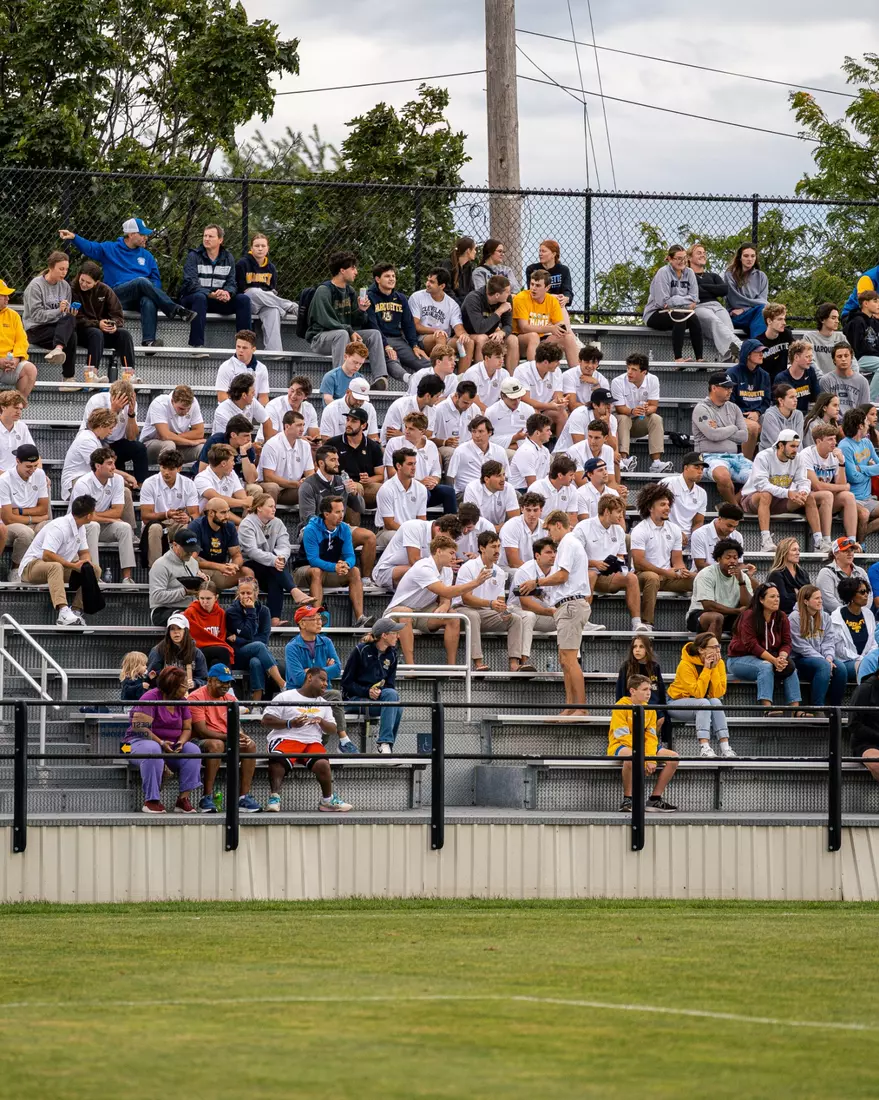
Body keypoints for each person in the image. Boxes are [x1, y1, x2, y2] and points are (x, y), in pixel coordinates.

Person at [59, 218, 193, 351]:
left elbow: (156, 280)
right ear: (130, 234)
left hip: (138, 297)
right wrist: (74, 238)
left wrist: (153, 292)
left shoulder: (147, 256)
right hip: (117, 295)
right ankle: (175, 310)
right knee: (141, 281)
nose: (145, 237)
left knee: (148, 300)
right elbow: (91, 248)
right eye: (142, 234)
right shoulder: (110, 248)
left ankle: (149, 342)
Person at [386, 533, 491, 667]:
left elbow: (445, 598)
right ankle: (410, 668)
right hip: (397, 611)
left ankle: (451, 668)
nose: (454, 557)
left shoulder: (446, 569)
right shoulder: (423, 567)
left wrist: (444, 606)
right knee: (406, 613)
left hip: (423, 611)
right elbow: (446, 591)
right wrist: (476, 582)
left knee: (454, 616)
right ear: (439, 551)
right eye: (451, 553)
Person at [262, 667, 352, 812]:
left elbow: (333, 729)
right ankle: (274, 797)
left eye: (327, 681)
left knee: (323, 763)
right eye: (322, 679)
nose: (325, 684)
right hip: (286, 738)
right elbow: (266, 720)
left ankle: (327, 801)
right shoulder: (286, 696)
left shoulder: (324, 703)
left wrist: (321, 721)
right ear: (309, 677)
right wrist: (290, 723)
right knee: (277, 759)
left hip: (312, 742)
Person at [543, 510, 606, 712]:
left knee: (570, 659)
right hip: (568, 604)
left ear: (558, 525)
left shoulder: (568, 543)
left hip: (571, 604)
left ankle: (581, 707)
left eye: (550, 528)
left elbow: (562, 576)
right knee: (564, 659)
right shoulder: (568, 544)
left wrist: (537, 581)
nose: (549, 533)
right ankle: (570, 706)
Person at [122, 666, 202, 815]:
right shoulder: (150, 697)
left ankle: (182, 799)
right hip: (130, 744)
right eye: (184, 684)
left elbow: (187, 728)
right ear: (173, 686)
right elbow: (139, 727)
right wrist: (161, 743)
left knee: (193, 750)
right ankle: (151, 801)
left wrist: (181, 742)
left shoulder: (182, 701)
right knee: (153, 749)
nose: (186, 687)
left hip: (168, 747)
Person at [304, 250, 390, 387]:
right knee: (341, 334)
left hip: (344, 335)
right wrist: (349, 330)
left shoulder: (350, 291)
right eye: (353, 268)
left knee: (374, 334)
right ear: (342, 270)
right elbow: (326, 320)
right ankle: (340, 381)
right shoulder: (324, 290)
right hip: (320, 338)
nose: (356, 271)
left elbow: (356, 322)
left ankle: (380, 379)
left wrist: (362, 311)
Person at [741, 429, 832, 554]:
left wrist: (803, 492)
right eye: (792, 446)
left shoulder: (798, 458)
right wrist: (788, 493)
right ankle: (765, 541)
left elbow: (803, 481)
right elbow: (762, 485)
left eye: (797, 446)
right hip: (753, 498)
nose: (795, 449)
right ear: (781, 445)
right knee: (766, 495)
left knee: (809, 497)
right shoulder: (764, 456)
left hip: (780, 499)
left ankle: (819, 542)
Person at [456, 530, 535, 672]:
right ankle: (478, 663)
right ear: (482, 548)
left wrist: (503, 610)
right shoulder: (468, 567)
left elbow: (499, 600)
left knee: (515, 619)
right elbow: (466, 598)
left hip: (487, 612)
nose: (497, 550)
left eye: (498, 546)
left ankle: (514, 664)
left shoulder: (499, 571)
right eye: (493, 546)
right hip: (463, 610)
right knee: (473, 616)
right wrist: (491, 604)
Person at [297, 445, 378, 584]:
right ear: (321, 463)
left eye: (337, 459)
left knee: (369, 536)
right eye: (333, 460)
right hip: (314, 530)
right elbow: (308, 517)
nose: (337, 463)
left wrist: (354, 493)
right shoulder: (308, 485)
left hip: (338, 527)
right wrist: (330, 527)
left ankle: (365, 578)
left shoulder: (341, 481)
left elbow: (361, 509)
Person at [189, 664, 262, 813]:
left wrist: (242, 736)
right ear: (209, 681)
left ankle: (242, 798)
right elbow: (201, 730)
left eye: (228, 682)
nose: (226, 685)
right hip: (198, 741)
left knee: (250, 746)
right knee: (216, 745)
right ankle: (206, 797)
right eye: (221, 681)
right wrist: (230, 737)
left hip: (225, 738)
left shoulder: (230, 698)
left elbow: (236, 726)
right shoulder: (196, 697)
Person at [285, 605, 355, 754]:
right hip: (299, 696)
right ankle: (342, 740)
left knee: (331, 701)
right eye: (314, 619)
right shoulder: (291, 647)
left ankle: (334, 744)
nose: (319, 622)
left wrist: (311, 673)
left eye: (320, 619)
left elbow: (337, 669)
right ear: (302, 623)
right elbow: (298, 679)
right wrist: (323, 669)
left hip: (321, 695)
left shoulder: (326, 642)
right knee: (333, 698)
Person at [18, 493, 97, 625]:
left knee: (94, 570)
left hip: (58, 567)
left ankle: (76, 611)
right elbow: (47, 555)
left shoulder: (81, 527)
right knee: (56, 566)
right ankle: (63, 612)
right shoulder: (59, 527)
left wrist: (86, 562)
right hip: (31, 566)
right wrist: (72, 566)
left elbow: (84, 552)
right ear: (89, 515)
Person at [608, 674, 680, 814]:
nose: (649, 693)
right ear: (632, 691)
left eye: (650, 689)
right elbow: (622, 735)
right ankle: (628, 799)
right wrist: (644, 756)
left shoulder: (650, 710)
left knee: (673, 758)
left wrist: (649, 757)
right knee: (631, 758)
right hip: (621, 744)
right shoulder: (620, 706)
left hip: (644, 746)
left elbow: (652, 737)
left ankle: (654, 799)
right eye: (644, 689)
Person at [727, 583, 804, 713]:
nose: (777, 599)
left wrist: (781, 657)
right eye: (772, 596)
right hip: (739, 659)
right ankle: (767, 708)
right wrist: (774, 661)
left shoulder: (782, 616)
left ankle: (796, 710)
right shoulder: (749, 615)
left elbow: (787, 642)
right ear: (761, 600)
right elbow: (751, 645)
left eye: (778, 596)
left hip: (769, 657)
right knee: (765, 666)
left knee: (790, 667)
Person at [295, 495, 371, 628]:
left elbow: (350, 555)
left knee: (354, 571)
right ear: (326, 514)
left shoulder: (344, 529)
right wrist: (334, 567)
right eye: (337, 512)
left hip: (329, 570)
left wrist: (346, 565)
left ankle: (360, 618)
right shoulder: (311, 529)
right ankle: (315, 615)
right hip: (304, 570)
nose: (341, 515)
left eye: (342, 511)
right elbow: (313, 560)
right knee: (316, 571)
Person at [630, 483, 696, 630]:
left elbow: (677, 561)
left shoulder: (674, 529)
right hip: (643, 575)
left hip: (667, 577)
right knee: (652, 578)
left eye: (668, 504)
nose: (667, 508)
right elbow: (639, 562)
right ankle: (646, 624)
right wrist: (666, 572)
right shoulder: (640, 530)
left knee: (698, 579)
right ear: (650, 508)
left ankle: (695, 617)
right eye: (662, 504)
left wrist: (680, 571)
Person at [575, 495, 646, 631]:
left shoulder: (619, 530)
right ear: (607, 512)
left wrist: (615, 564)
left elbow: (620, 555)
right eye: (618, 512)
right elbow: (575, 557)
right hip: (585, 572)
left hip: (608, 574)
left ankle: (637, 623)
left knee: (631, 578)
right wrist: (595, 563)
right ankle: (584, 622)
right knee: (590, 575)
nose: (621, 516)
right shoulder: (583, 527)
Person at [181, 224, 252, 353]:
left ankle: (245, 345)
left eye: (211, 236)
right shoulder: (193, 256)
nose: (206, 239)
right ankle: (196, 347)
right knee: (199, 297)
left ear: (220, 240)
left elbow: (232, 282)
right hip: (195, 300)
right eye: (205, 236)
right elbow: (190, 284)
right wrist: (210, 294)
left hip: (218, 300)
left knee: (243, 300)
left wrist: (227, 292)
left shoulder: (228, 257)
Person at [69, 446, 137, 583]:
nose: (114, 467)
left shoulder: (117, 480)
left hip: (102, 525)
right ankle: (95, 575)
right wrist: (108, 517)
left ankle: (127, 577)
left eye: (114, 463)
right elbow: (84, 517)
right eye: (110, 464)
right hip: (79, 528)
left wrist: (97, 515)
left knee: (125, 527)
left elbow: (118, 511)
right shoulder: (83, 484)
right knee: (93, 525)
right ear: (98, 466)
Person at [340, 617, 407, 755]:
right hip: (353, 699)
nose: (398, 636)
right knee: (394, 700)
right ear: (384, 635)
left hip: (375, 700)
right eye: (394, 633)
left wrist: (377, 692)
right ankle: (384, 744)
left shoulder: (392, 654)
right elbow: (346, 683)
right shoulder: (361, 650)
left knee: (397, 704)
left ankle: (385, 745)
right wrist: (367, 692)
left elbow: (390, 684)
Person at [66, 261, 137, 380]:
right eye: (82, 280)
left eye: (88, 282)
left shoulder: (105, 290)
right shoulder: (72, 289)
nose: (83, 284)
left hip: (102, 331)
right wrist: (97, 324)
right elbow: (76, 318)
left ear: (96, 282)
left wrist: (114, 324)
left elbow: (117, 314)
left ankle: (129, 375)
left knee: (124, 334)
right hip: (81, 331)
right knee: (96, 333)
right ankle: (91, 375)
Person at [667, 633, 735, 758]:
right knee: (704, 703)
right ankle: (705, 747)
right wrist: (707, 669)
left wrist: (713, 668)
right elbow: (697, 693)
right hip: (676, 702)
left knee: (715, 702)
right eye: (713, 647)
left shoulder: (719, 663)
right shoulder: (685, 665)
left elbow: (718, 693)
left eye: (718, 646)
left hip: (702, 703)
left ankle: (725, 747)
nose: (718, 650)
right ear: (701, 649)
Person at [691, 372, 752, 504]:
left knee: (761, 477)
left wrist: (721, 429)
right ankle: (734, 509)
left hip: (735, 457)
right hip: (709, 456)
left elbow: (744, 436)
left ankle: (730, 506)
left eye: (731, 387)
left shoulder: (734, 408)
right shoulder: (701, 408)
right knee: (723, 477)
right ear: (714, 388)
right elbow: (713, 435)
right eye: (726, 387)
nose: (730, 390)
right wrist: (733, 427)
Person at [225, 577, 286, 700]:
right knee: (258, 646)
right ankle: (283, 684)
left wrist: (238, 639)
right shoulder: (232, 612)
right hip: (238, 654)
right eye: (242, 593)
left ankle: (256, 705)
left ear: (256, 593)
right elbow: (248, 633)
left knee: (256, 662)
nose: (245, 596)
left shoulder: (264, 611)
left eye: (249, 593)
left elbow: (264, 638)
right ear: (238, 594)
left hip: (256, 653)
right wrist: (251, 611)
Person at [21, 251, 78, 380]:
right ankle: (68, 377)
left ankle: (59, 350)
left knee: (71, 323)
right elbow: (36, 316)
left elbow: (64, 315)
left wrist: (69, 312)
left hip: (56, 329)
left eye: (66, 269)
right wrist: (59, 310)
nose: (64, 272)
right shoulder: (35, 286)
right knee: (70, 336)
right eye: (61, 269)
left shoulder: (65, 286)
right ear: (51, 267)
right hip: (36, 329)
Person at [80, 379, 148, 486]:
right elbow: (94, 429)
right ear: (111, 396)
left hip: (116, 443)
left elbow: (131, 437)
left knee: (139, 448)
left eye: (125, 403)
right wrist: (113, 410)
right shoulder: (97, 400)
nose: (123, 406)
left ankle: (141, 486)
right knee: (120, 482)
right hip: (97, 442)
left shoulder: (131, 405)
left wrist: (131, 414)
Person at [611, 353, 672, 473]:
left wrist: (646, 410)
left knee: (656, 418)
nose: (629, 372)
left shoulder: (653, 380)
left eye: (634, 369)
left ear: (644, 372)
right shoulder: (617, 382)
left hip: (640, 422)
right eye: (628, 368)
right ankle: (624, 459)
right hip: (621, 422)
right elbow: (619, 408)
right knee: (623, 418)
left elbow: (653, 406)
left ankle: (656, 463)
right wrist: (633, 411)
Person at [235, 232, 296, 351]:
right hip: (248, 303)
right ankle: (290, 306)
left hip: (266, 303)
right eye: (257, 246)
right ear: (251, 248)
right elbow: (243, 289)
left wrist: (267, 295)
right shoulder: (242, 264)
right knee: (254, 291)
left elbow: (271, 290)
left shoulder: (271, 268)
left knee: (273, 311)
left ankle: (274, 352)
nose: (260, 249)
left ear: (267, 248)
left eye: (263, 246)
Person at [384, 412, 454, 515]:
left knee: (449, 492)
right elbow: (391, 473)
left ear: (422, 431)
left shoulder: (431, 446)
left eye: (411, 429)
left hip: (426, 488)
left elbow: (436, 472)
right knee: (423, 492)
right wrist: (419, 483)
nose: (406, 431)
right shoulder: (394, 443)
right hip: (401, 489)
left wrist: (433, 482)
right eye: (406, 427)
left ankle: (451, 528)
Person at [366, 262, 429, 376]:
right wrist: (386, 345)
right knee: (392, 360)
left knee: (423, 362)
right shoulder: (369, 297)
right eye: (387, 276)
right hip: (379, 340)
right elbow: (372, 324)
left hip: (398, 340)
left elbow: (408, 324)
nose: (391, 279)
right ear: (377, 279)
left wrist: (414, 345)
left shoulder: (401, 298)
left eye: (393, 276)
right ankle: (408, 379)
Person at [789, 585, 847, 708]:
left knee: (841, 669)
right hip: (800, 658)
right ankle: (817, 707)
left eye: (821, 598)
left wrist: (829, 658)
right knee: (823, 666)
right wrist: (823, 659)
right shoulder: (794, 617)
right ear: (805, 601)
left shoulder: (825, 616)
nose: (820, 601)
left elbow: (829, 641)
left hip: (822, 658)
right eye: (816, 598)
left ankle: (835, 708)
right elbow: (799, 646)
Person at [800, 424, 861, 543]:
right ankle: (826, 541)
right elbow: (817, 486)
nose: (834, 442)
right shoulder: (806, 454)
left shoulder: (835, 455)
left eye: (835, 438)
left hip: (826, 500)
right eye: (830, 439)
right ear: (818, 441)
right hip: (807, 499)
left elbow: (841, 486)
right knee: (827, 494)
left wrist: (842, 463)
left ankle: (851, 541)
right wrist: (843, 487)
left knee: (848, 496)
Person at [139, 450, 200, 567]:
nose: (166, 472)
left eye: (171, 469)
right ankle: (155, 570)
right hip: (156, 524)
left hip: (178, 524)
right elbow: (146, 517)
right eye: (163, 468)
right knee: (155, 528)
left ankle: (184, 568)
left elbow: (195, 515)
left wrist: (188, 518)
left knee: (189, 527)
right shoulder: (149, 483)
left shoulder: (189, 484)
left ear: (179, 469)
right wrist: (167, 514)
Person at [643, 244, 703, 362]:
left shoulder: (690, 273)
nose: (682, 261)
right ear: (670, 259)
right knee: (679, 317)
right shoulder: (663, 273)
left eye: (684, 258)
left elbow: (695, 299)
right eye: (678, 258)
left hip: (678, 311)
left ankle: (700, 359)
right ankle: (678, 359)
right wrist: (686, 300)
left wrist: (674, 300)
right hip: (655, 313)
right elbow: (662, 302)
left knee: (694, 319)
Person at [372, 514, 462, 593]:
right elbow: (414, 561)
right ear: (438, 529)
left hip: (417, 575)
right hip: (385, 572)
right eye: (446, 538)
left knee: (445, 571)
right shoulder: (413, 526)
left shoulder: (439, 535)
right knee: (424, 569)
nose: (446, 542)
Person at [511, 268, 580, 367]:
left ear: (547, 288)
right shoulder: (521, 298)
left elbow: (560, 325)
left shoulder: (552, 300)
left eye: (538, 285)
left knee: (567, 337)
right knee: (533, 336)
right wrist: (550, 328)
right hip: (521, 340)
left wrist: (561, 329)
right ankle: (534, 374)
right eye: (532, 284)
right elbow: (524, 328)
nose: (533, 288)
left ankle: (577, 375)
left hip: (542, 339)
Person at [687, 536, 752, 641]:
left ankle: (742, 655)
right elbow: (708, 605)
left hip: (730, 615)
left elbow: (748, 604)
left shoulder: (742, 577)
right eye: (728, 557)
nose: (732, 561)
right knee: (717, 617)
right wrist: (736, 611)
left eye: (735, 558)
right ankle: (713, 654)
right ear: (719, 559)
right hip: (701, 614)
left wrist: (741, 582)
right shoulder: (706, 574)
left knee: (749, 617)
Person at [408, 267, 473, 368]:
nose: (427, 284)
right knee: (440, 336)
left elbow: (458, 328)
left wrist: (464, 335)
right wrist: (436, 331)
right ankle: (438, 374)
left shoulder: (452, 304)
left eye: (432, 282)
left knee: (468, 342)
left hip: (445, 341)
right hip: (422, 339)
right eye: (428, 280)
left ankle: (461, 380)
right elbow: (416, 326)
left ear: (442, 286)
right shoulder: (417, 297)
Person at [686, 242, 740, 362]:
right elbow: (695, 293)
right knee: (715, 321)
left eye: (704, 253)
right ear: (689, 257)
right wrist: (712, 289)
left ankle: (728, 359)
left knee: (728, 327)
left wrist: (703, 286)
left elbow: (724, 289)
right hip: (699, 306)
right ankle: (740, 348)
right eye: (699, 253)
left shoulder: (713, 275)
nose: (703, 255)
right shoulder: (687, 276)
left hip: (717, 306)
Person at [0, 443, 49, 569]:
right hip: (10, 525)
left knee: (50, 527)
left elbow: (44, 509)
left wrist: (20, 511)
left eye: (35, 466)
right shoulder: (4, 480)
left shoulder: (40, 474)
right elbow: (8, 519)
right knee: (25, 533)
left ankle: (41, 568)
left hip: (27, 520)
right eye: (28, 466)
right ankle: (16, 569)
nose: (32, 470)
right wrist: (34, 518)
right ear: (17, 461)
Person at [189, 498, 253, 591]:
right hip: (201, 570)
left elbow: (236, 554)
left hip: (221, 571)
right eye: (223, 513)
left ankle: (245, 602)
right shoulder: (196, 526)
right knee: (194, 568)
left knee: (247, 572)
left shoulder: (230, 526)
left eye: (228, 512)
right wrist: (219, 567)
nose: (227, 516)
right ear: (211, 513)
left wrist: (234, 566)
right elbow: (192, 560)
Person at [615, 634, 669, 740]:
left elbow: (660, 691)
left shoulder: (654, 667)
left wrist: (662, 709)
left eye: (641, 646)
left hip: (652, 705)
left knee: (660, 718)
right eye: (635, 647)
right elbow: (620, 691)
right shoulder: (626, 666)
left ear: (649, 649)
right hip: (632, 704)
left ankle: (651, 743)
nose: (637, 650)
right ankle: (637, 745)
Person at [461, 274, 519, 371]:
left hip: (491, 333)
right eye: (508, 292)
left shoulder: (506, 299)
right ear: (497, 295)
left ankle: (511, 378)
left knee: (512, 339)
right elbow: (479, 328)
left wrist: (502, 332)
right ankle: (480, 376)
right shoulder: (474, 298)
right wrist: (499, 311)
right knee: (482, 338)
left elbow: (508, 325)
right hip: (470, 333)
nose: (510, 294)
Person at [148, 528, 206, 626]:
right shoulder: (160, 565)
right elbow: (156, 597)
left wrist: (203, 583)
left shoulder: (193, 562)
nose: (190, 553)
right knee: (184, 618)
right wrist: (184, 592)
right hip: (163, 610)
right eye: (187, 549)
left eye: (193, 550)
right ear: (175, 545)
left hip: (190, 608)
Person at [374, 448, 428, 551]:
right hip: (386, 532)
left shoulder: (421, 488)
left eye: (415, 464)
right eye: (410, 464)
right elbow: (389, 524)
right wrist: (410, 533)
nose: (414, 468)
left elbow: (422, 519)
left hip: (411, 532)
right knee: (402, 539)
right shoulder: (386, 489)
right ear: (398, 466)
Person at [838, 408, 879, 540]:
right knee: (864, 514)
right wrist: (871, 469)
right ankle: (860, 547)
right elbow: (853, 477)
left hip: (868, 498)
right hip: (852, 499)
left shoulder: (867, 442)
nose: (868, 425)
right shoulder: (845, 446)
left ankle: (858, 539)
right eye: (866, 422)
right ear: (860, 426)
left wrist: (862, 468)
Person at [258, 410, 314, 506]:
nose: (302, 429)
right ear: (287, 426)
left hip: (290, 490)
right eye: (298, 425)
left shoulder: (305, 445)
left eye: (303, 425)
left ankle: (312, 520)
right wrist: (294, 484)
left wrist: (306, 481)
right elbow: (268, 477)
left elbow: (310, 472)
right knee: (273, 487)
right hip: (267, 488)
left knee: (314, 489)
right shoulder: (272, 444)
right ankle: (268, 519)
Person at [513, 340, 568, 438]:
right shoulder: (522, 370)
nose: (558, 364)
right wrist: (549, 406)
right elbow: (525, 400)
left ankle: (559, 450)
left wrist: (560, 401)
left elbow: (558, 394)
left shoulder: (557, 371)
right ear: (546, 362)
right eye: (556, 361)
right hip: (526, 409)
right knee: (534, 412)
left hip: (546, 408)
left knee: (562, 413)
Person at [829, 576, 877, 686]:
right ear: (851, 595)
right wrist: (863, 659)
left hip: (867, 660)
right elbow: (839, 649)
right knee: (866, 668)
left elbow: (873, 642)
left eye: (867, 591)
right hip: (845, 661)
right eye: (862, 592)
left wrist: (868, 659)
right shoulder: (837, 617)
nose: (866, 595)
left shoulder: (868, 615)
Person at [139, 384, 206, 464]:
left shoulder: (194, 402)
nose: (185, 412)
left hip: (179, 444)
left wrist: (175, 436)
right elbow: (165, 435)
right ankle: (167, 475)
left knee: (203, 448)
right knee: (169, 444)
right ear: (172, 401)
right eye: (181, 408)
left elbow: (199, 433)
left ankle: (198, 476)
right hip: (150, 445)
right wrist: (191, 442)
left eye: (188, 409)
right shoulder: (160, 403)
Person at [728, 340, 770, 459]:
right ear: (747, 354)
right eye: (758, 352)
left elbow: (767, 400)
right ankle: (746, 462)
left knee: (774, 422)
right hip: (736, 415)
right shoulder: (732, 374)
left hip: (758, 414)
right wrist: (742, 415)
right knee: (752, 427)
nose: (762, 354)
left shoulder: (764, 375)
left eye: (763, 352)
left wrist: (757, 413)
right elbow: (729, 402)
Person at [447, 415, 510, 495]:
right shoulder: (460, 450)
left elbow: (506, 476)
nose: (477, 435)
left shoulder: (500, 451)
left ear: (489, 432)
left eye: (480, 431)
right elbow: (450, 476)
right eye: (474, 431)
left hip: (493, 493)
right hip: (466, 493)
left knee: (516, 494)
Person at [146, 614, 209, 690]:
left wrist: (195, 683)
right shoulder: (158, 651)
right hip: (165, 693)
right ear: (168, 632)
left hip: (189, 695)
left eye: (179, 628)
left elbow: (204, 679)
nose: (176, 632)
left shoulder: (196, 653)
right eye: (172, 629)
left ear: (186, 630)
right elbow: (151, 677)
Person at [0, 278, 36, 398]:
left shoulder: (13, 315)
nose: (8, 298)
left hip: (10, 363)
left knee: (30, 369)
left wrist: (16, 359)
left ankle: (16, 408)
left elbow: (22, 340)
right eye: (4, 295)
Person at [723, 242, 768, 337]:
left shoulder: (761, 276)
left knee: (762, 312)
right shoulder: (730, 275)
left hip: (754, 313)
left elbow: (763, 301)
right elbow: (735, 301)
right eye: (746, 256)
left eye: (753, 256)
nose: (750, 259)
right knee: (761, 311)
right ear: (740, 258)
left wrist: (744, 309)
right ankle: (758, 347)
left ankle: (755, 348)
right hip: (736, 316)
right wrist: (752, 306)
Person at [662, 453, 708, 546]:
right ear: (686, 468)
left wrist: (695, 540)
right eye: (696, 467)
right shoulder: (668, 484)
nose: (700, 471)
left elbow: (698, 522)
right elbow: (657, 513)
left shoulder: (702, 493)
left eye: (702, 469)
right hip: (664, 533)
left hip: (688, 539)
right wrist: (677, 533)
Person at [193, 443, 250, 518]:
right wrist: (244, 503)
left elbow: (241, 495)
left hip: (223, 515)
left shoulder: (231, 473)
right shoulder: (202, 478)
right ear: (223, 463)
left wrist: (248, 502)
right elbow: (217, 501)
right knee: (215, 507)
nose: (234, 463)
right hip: (205, 519)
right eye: (232, 460)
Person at [184, 583, 234, 668]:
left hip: (215, 650)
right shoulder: (190, 612)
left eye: (208, 598)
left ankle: (215, 681)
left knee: (216, 662)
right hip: (196, 649)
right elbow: (193, 638)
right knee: (224, 652)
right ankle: (226, 681)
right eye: (202, 598)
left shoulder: (220, 612)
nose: (205, 602)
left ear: (216, 598)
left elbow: (221, 636)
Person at [214, 329, 269, 405]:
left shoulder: (262, 369)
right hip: (229, 412)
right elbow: (221, 396)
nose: (240, 350)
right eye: (238, 346)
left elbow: (263, 397)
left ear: (253, 349)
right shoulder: (225, 367)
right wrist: (239, 410)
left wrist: (260, 414)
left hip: (253, 412)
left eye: (244, 348)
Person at [817, 535, 870, 614]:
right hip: (834, 620)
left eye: (851, 550)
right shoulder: (826, 573)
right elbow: (828, 600)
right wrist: (848, 614)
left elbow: (869, 594)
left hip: (860, 616)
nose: (850, 553)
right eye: (845, 550)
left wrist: (861, 612)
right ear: (836, 553)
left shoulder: (861, 572)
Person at [431, 380, 479, 465]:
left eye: (471, 403)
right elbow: (429, 438)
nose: (468, 407)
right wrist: (444, 442)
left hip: (468, 448)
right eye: (465, 402)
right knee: (453, 453)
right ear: (456, 396)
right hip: (444, 448)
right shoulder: (438, 410)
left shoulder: (475, 409)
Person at [460, 337, 511, 412]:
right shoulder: (472, 373)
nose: (502, 360)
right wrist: (491, 413)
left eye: (503, 357)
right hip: (473, 411)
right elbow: (473, 400)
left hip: (494, 412)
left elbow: (506, 398)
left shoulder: (505, 373)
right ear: (487, 358)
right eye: (498, 357)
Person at [320, 376, 379, 441]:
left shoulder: (369, 408)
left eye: (362, 399)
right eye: (356, 398)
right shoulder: (331, 409)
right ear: (348, 392)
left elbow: (373, 436)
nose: (358, 402)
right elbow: (325, 439)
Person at [689, 503, 746, 570]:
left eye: (735, 527)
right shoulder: (699, 534)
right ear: (719, 519)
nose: (732, 530)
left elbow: (739, 563)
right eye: (729, 525)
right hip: (704, 576)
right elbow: (700, 565)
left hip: (729, 575)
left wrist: (745, 569)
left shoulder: (738, 536)